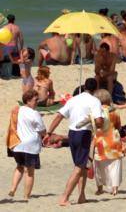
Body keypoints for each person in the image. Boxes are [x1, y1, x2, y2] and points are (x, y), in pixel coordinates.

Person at [45, 77, 104, 206]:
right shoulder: (95, 101)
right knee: (78, 168)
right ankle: (64, 198)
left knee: (81, 166)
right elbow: (99, 122)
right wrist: (99, 120)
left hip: (72, 134)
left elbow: (59, 116)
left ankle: (81, 196)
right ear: (96, 88)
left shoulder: (73, 99)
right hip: (84, 134)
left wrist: (49, 132)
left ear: (84, 86)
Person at [7, 89, 46, 201]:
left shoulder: (18, 110)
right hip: (30, 146)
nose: (37, 102)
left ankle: (13, 189)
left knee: (19, 166)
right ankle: (26, 196)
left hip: (18, 145)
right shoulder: (34, 113)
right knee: (29, 172)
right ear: (28, 100)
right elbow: (42, 131)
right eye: (35, 100)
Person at [92, 89, 124, 196]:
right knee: (114, 166)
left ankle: (100, 188)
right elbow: (119, 126)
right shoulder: (114, 112)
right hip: (113, 140)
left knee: (99, 166)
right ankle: (114, 188)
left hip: (100, 141)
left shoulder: (95, 112)